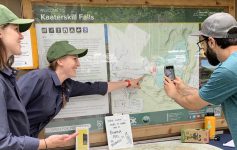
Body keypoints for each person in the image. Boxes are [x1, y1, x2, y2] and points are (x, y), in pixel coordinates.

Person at [17, 40, 142, 137]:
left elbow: (96, 88)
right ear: (60, 61)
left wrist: (128, 83)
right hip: (12, 141)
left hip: (27, 141)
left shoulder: (67, 86)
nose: (78, 64)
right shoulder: (38, 78)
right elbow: (10, 108)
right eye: (74, 59)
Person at [0, 4, 77, 149]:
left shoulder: (7, 76)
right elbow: (2, 142)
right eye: (16, 29)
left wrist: (127, 83)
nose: (21, 35)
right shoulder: (37, 78)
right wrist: (46, 143)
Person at [163, 12, 237, 146]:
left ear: (212, 42)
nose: (202, 49)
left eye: (202, 43)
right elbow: (208, 94)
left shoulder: (228, 70)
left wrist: (174, 94)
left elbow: (194, 104)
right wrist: (184, 89)